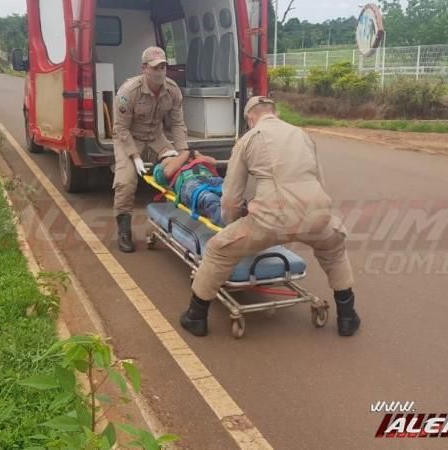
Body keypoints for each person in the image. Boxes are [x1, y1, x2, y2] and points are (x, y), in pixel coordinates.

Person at [180, 96, 361, 337]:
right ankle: (347, 317)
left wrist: (231, 225)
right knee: (334, 251)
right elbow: (318, 180)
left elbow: (231, 197)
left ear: (249, 118)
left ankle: (196, 316)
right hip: (316, 214)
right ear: (275, 113)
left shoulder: (249, 139)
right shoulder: (302, 135)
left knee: (217, 250)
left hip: (270, 220)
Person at [113, 46, 188, 253]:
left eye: (163, 67)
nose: (160, 72)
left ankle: (177, 224)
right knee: (126, 181)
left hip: (156, 137)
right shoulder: (128, 93)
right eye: (155, 68)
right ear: (144, 68)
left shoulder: (172, 90)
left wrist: (182, 153)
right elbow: (120, 128)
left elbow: (177, 124)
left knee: (179, 173)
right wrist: (135, 156)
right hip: (129, 138)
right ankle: (124, 230)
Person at [152, 149, 223, 226]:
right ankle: (225, 222)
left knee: (234, 193)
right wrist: (185, 154)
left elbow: (213, 162)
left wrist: (196, 154)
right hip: (189, 183)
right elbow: (166, 174)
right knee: (209, 198)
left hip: (210, 179)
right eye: (163, 151)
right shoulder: (160, 167)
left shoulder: (192, 158)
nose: (166, 148)